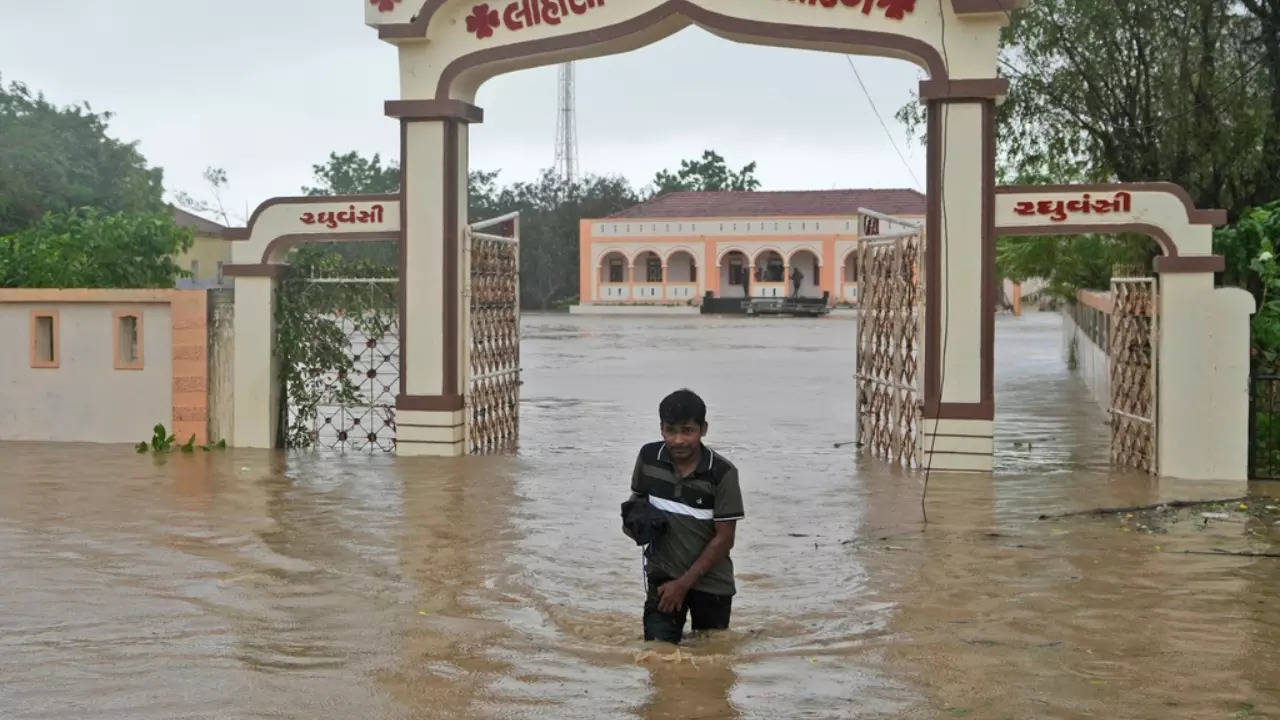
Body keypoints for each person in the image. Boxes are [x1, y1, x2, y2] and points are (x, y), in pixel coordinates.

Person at [624, 389, 745, 644]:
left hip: (712, 585)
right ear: (661, 429)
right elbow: (636, 502)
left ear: (703, 429)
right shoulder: (648, 458)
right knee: (658, 656)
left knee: (711, 662)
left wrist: (683, 584)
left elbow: (725, 539)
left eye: (687, 431)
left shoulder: (722, 473)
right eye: (671, 430)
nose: (678, 440)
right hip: (663, 580)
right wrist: (634, 524)